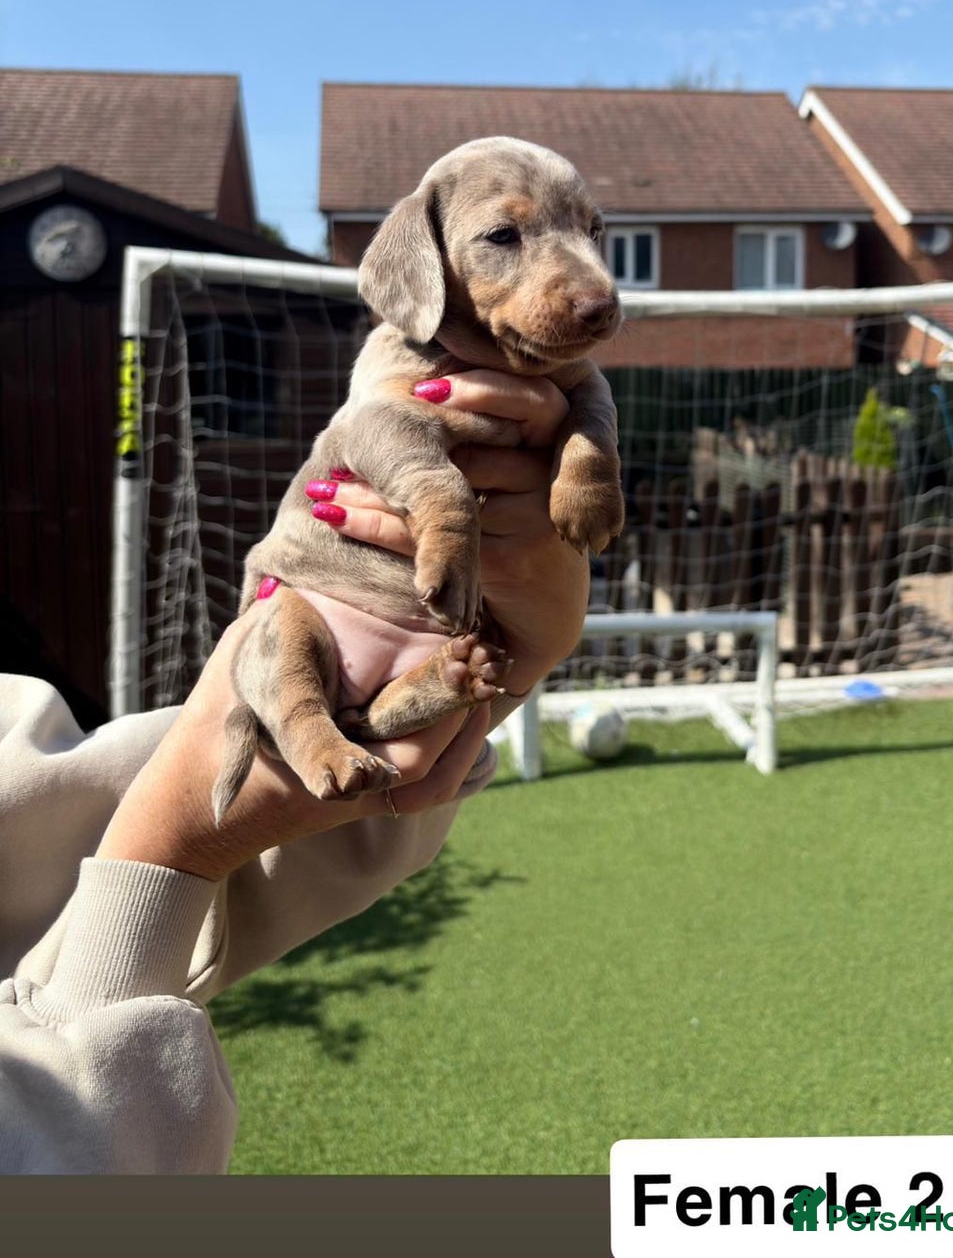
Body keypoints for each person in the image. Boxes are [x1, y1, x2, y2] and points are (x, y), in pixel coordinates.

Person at [0, 371, 589, 1174]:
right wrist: (175, 843)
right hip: (294, 695)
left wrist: (509, 660)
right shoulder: (396, 347)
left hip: (362, 685)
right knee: (302, 694)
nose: (588, 285)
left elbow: (82, 791)